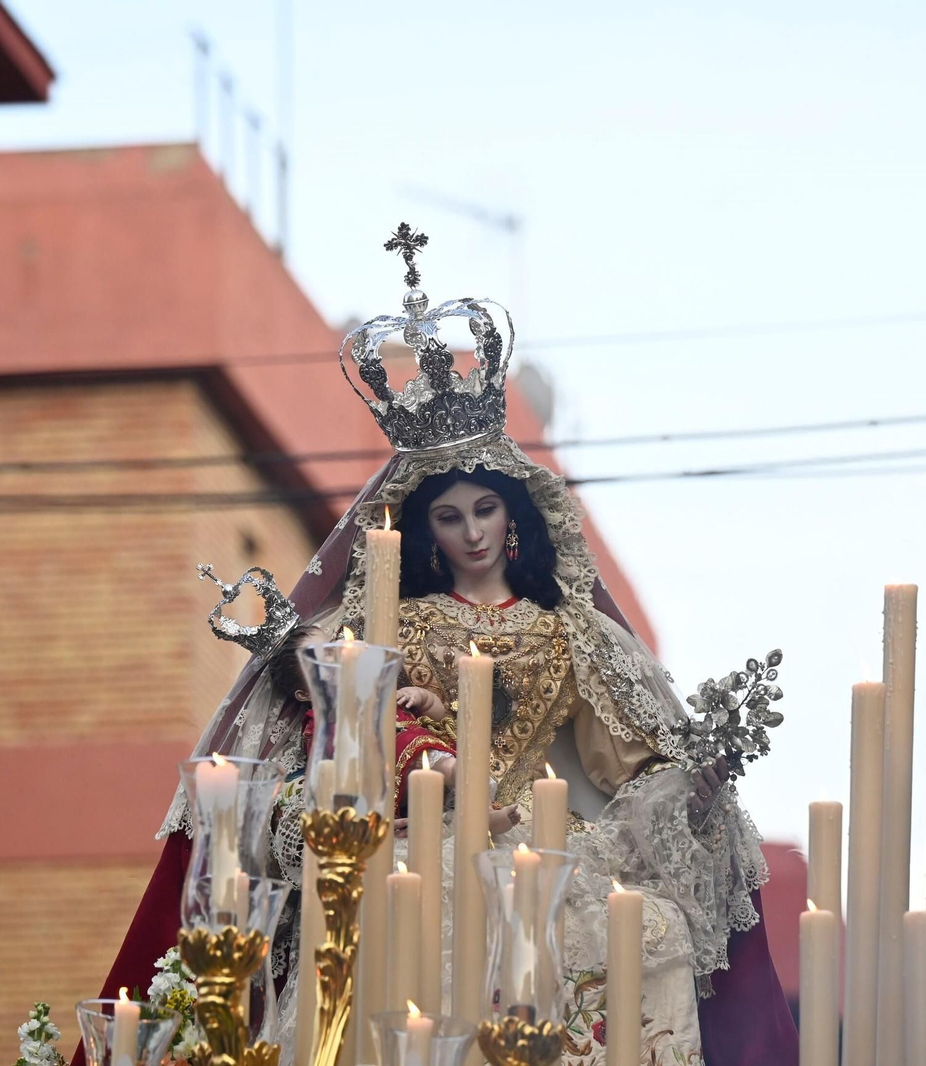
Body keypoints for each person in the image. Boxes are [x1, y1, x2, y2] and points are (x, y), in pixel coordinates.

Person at [75, 235, 796, 1066]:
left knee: (648, 926)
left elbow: (623, 762)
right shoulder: (391, 624)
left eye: (485, 510)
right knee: (409, 902)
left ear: (513, 512)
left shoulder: (567, 631)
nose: (472, 532)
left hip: (538, 846)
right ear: (427, 530)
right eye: (450, 518)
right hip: (426, 841)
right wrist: (388, 729)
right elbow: (336, 726)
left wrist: (688, 783)